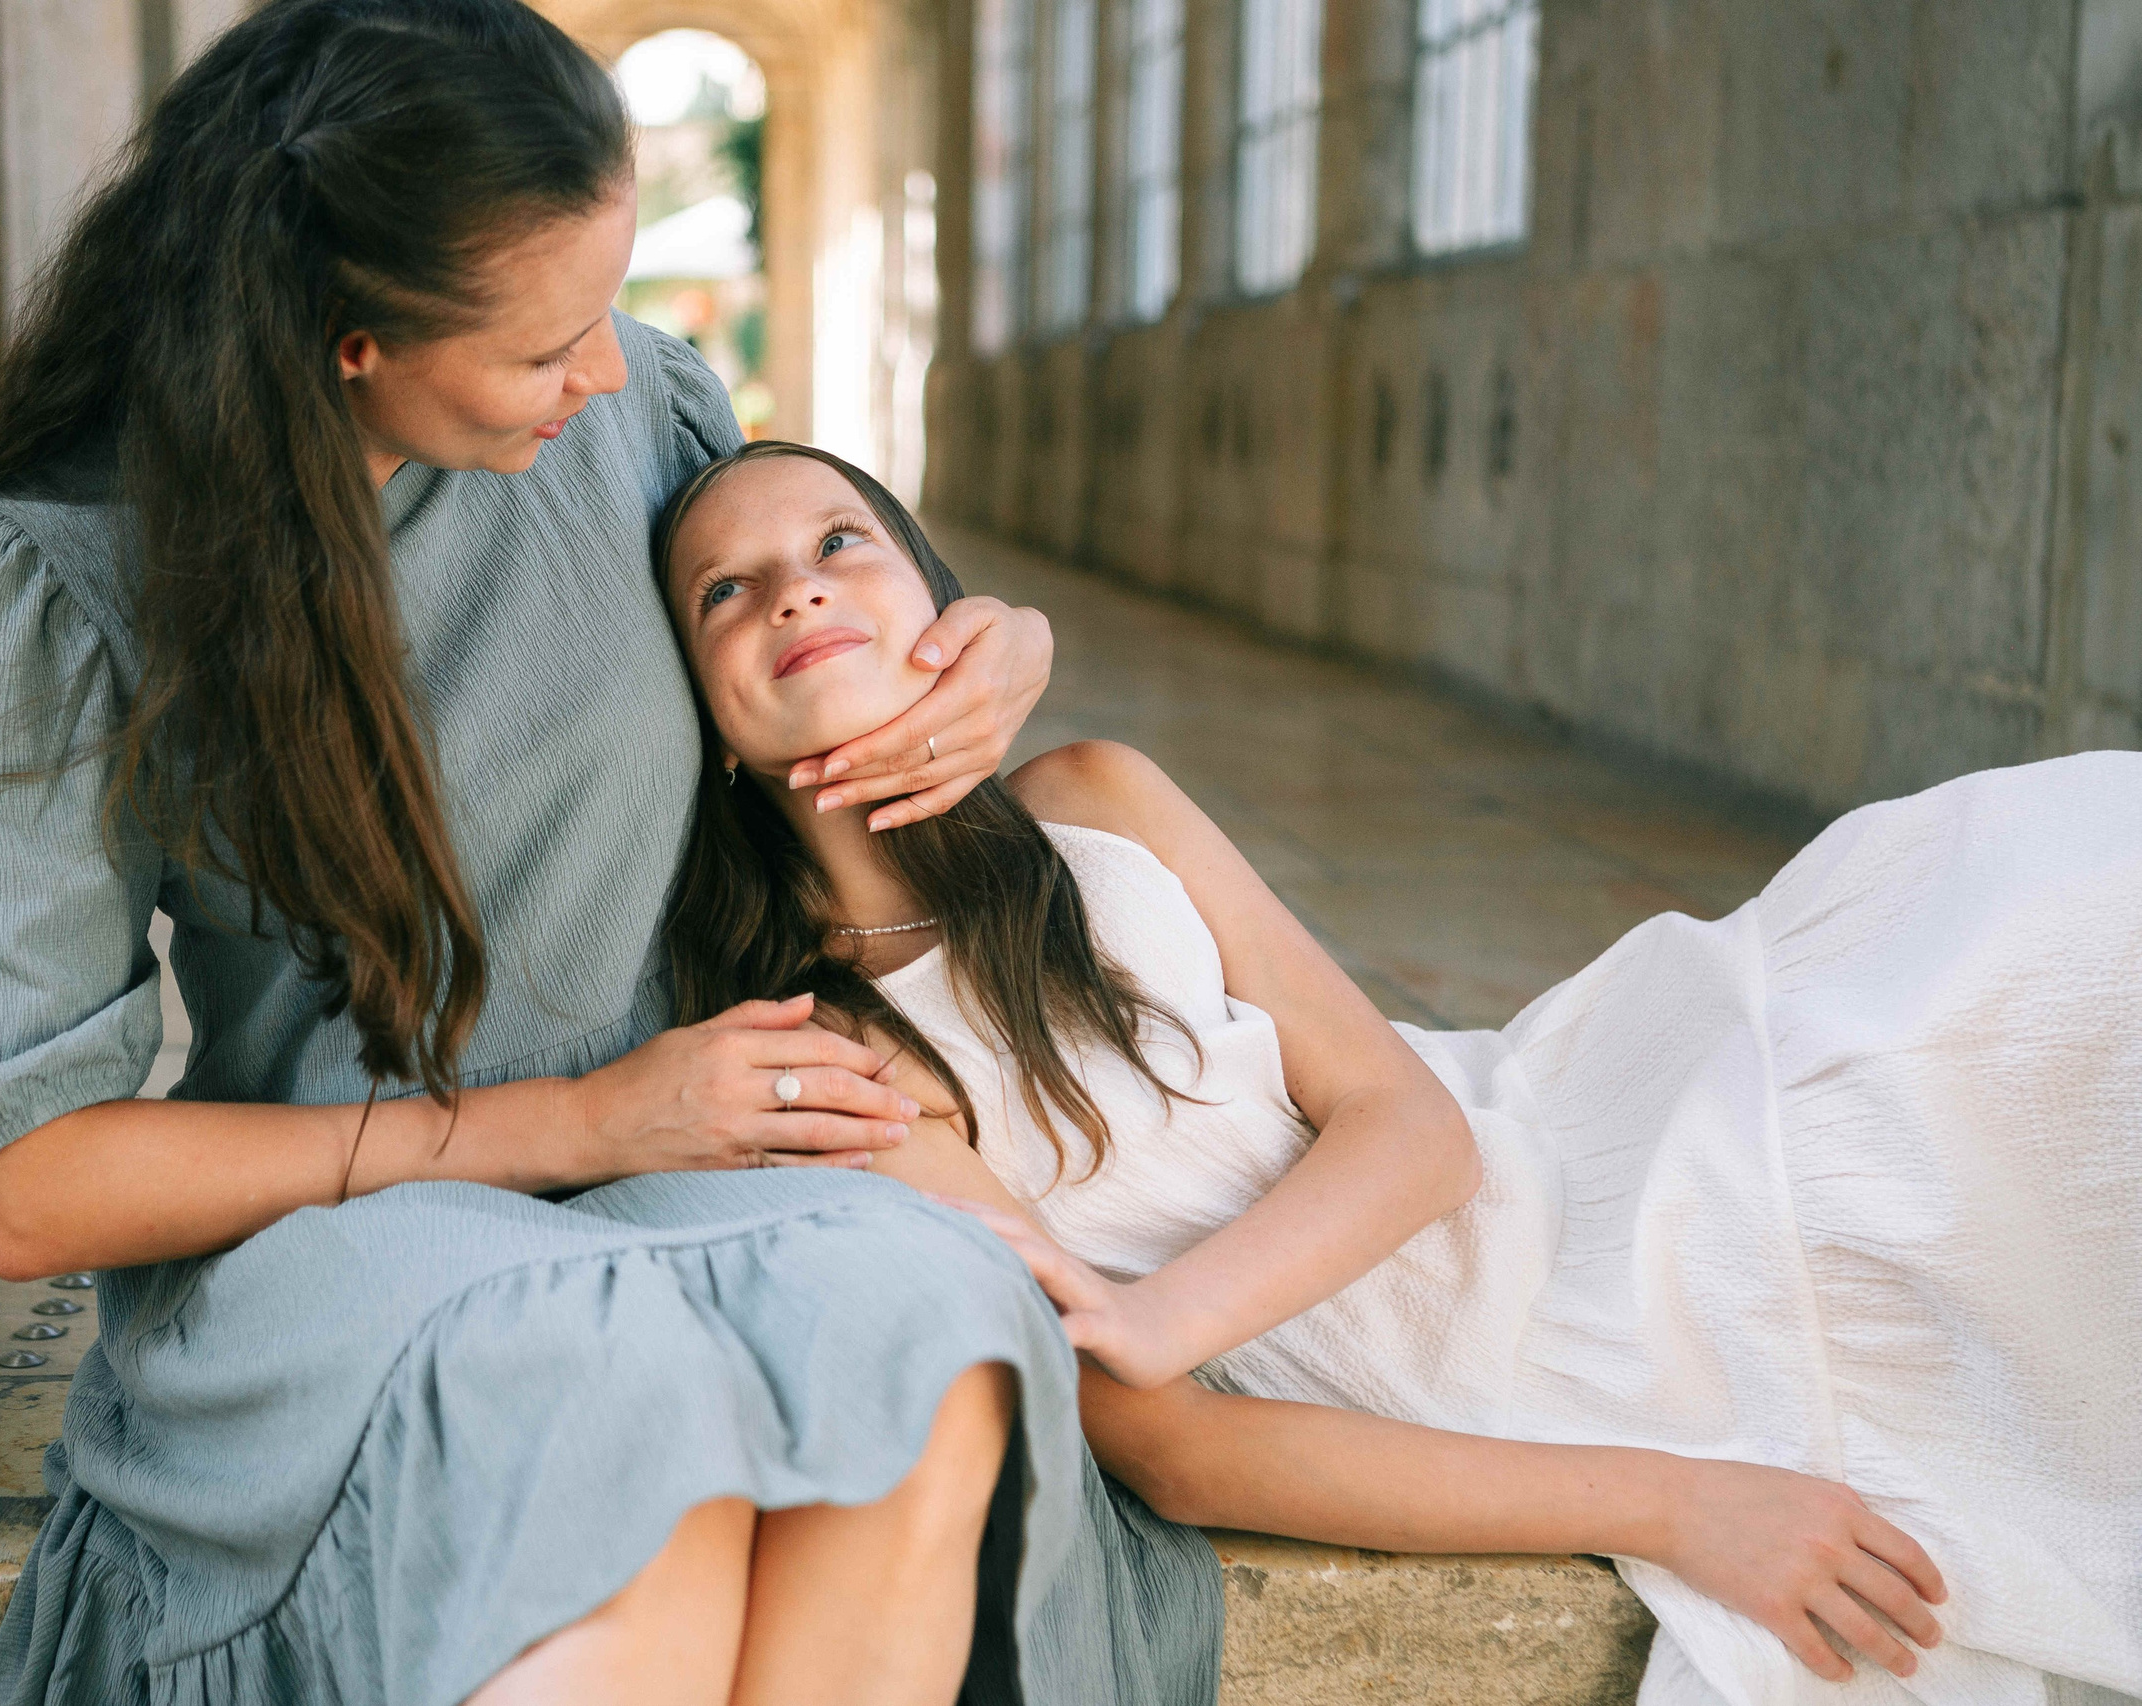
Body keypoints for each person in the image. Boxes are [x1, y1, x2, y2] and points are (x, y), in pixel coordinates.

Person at [0, 6, 1220, 1702]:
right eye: (549, 339)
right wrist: (572, 1123)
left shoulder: (627, 425)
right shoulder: (39, 589)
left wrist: (986, 644)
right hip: (360, 1233)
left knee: (931, 1352)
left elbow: (808, 632)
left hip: (714, 1170)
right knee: (608, 1448)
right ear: (347, 339)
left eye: (607, 307)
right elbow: (33, 1193)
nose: (609, 369)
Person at [649, 438, 2142, 1706]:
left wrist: (1167, 1311)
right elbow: (1172, 1449)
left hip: (1576, 1146)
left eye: (842, 538)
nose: (800, 587)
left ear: (945, 612)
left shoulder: (1097, 797)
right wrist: (1683, 1498)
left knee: (2048, 906)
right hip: (1523, 1353)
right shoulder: (841, 1063)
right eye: (731, 589)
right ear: (705, 732)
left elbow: (1421, 1133)